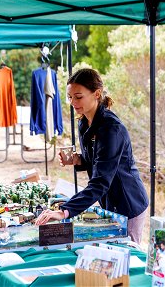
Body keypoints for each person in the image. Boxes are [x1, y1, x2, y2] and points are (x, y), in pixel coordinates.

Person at [35, 68, 149, 243]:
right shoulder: (84, 122)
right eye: (70, 97)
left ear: (97, 94)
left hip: (128, 204)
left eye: (78, 97)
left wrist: (64, 211)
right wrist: (78, 159)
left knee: (128, 259)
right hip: (108, 201)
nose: (73, 102)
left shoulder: (111, 129)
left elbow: (100, 182)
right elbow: (97, 159)